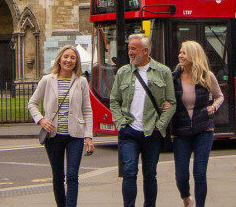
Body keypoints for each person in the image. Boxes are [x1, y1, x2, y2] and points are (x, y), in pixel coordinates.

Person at [109, 34, 175, 207]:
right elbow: (114, 100)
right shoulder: (123, 72)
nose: (130, 52)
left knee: (150, 174)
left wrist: (160, 125)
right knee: (129, 172)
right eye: (129, 48)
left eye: (134, 49)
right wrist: (120, 123)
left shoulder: (163, 71)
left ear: (145, 51)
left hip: (152, 131)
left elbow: (172, 102)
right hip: (129, 131)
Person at [29, 45, 94, 207]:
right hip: (54, 136)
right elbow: (32, 104)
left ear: (76, 62)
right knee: (58, 176)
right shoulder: (47, 80)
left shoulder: (81, 81)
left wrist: (88, 136)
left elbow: (87, 110)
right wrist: (41, 120)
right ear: (59, 59)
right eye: (66, 57)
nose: (68, 60)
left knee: (72, 176)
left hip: (75, 136)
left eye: (72, 58)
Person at [170, 40, 224, 206]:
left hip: (204, 129)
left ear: (194, 55)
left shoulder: (207, 75)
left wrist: (213, 108)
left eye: (184, 52)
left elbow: (219, 96)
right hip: (180, 131)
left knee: (199, 173)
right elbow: (167, 99)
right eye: (180, 52)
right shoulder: (174, 77)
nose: (180, 55)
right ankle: (186, 198)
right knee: (181, 176)